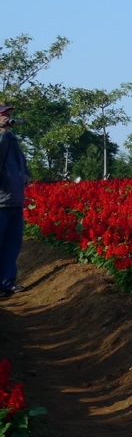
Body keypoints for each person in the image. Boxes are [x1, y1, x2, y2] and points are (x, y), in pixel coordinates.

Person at [0, 104, 30, 298]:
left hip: (15, 201)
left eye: (9, 113)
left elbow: (22, 162)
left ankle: (7, 282)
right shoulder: (3, 138)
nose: (8, 117)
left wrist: (26, 175)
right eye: (3, 114)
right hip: (0, 202)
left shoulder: (12, 138)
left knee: (12, 245)